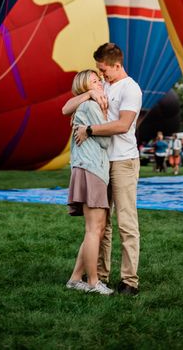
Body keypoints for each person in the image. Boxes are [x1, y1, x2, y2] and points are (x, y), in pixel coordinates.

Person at [62, 42, 142, 296]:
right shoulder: (102, 85)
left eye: (103, 69)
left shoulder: (131, 89)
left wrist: (89, 130)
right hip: (100, 163)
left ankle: (129, 280)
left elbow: (123, 125)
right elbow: (67, 108)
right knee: (101, 224)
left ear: (116, 65)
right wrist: (88, 94)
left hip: (123, 161)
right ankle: (100, 275)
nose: (101, 74)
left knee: (126, 222)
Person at [65, 69, 113, 296]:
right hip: (92, 170)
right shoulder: (91, 106)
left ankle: (76, 278)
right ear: (85, 87)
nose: (99, 82)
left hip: (90, 170)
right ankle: (93, 282)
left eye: (99, 79)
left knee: (96, 228)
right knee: (94, 228)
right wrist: (104, 123)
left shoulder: (84, 106)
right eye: (94, 81)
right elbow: (105, 141)